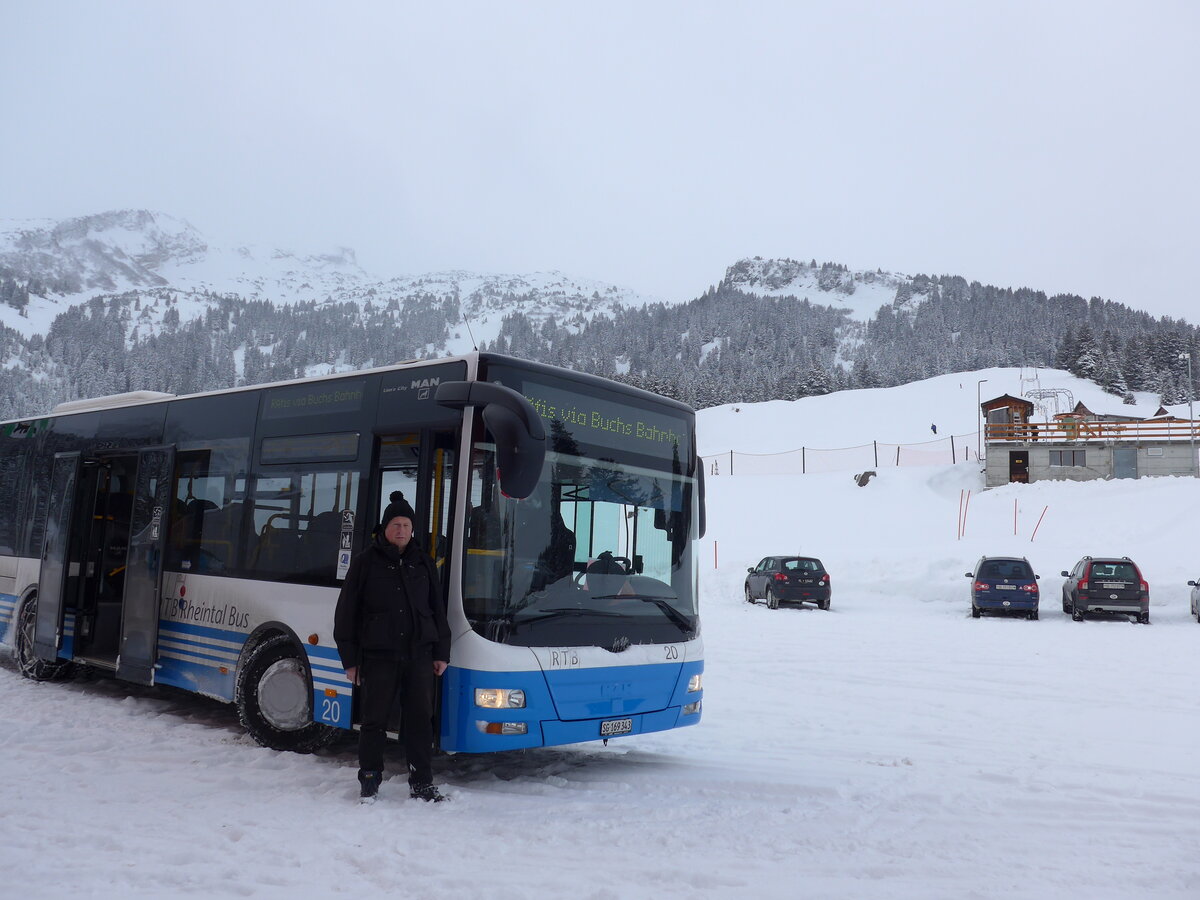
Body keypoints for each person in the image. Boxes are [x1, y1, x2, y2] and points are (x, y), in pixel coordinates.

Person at [334, 491, 451, 803]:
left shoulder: (423, 563)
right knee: (374, 720)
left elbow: (437, 610)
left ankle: (422, 782)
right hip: (378, 656)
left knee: (419, 721)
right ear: (384, 529)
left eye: (406, 525)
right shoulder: (364, 563)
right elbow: (347, 613)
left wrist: (442, 652)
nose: (401, 530)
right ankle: (370, 780)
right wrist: (350, 659)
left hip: (419, 655)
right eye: (396, 524)